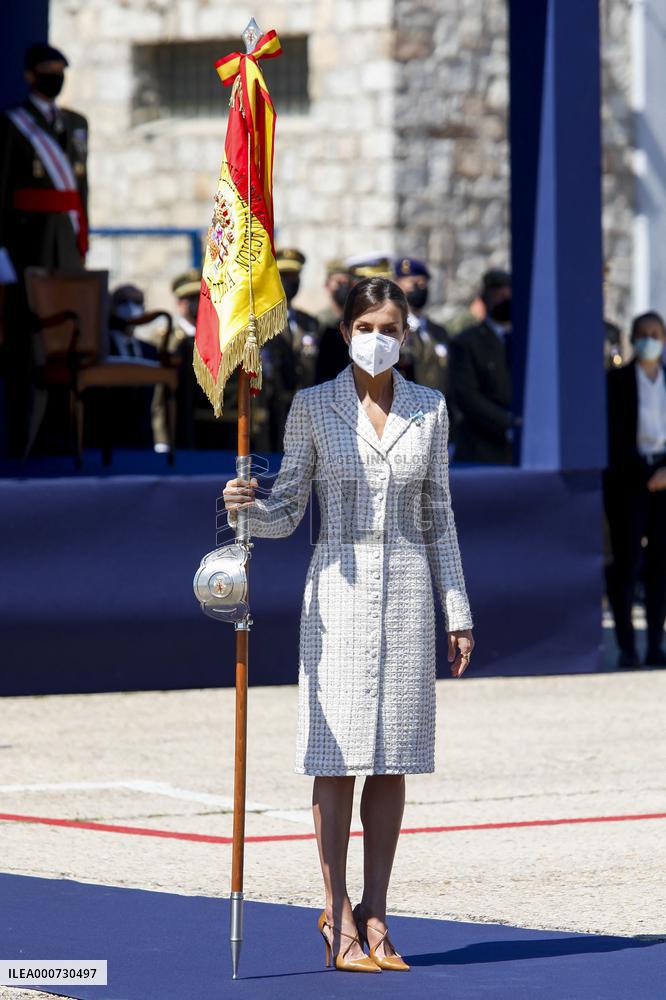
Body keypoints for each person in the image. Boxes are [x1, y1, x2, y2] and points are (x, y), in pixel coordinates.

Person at [222, 276, 474, 972]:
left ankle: (378, 911)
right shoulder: (311, 406)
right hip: (335, 591)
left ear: (407, 333)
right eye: (364, 328)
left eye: (388, 327)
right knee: (335, 760)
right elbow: (289, 510)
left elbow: (441, 517)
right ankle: (335, 916)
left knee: (393, 758)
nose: (375, 339)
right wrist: (246, 507)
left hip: (408, 588)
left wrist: (458, 610)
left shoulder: (431, 408)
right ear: (344, 334)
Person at [0, 42, 89, 455]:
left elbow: (80, 188)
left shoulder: (75, 123)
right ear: (30, 75)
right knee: (27, 347)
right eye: (48, 70)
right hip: (25, 249)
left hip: (66, 249)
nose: (56, 76)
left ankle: (61, 435)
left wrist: (81, 239)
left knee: (69, 343)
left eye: (60, 69)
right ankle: (24, 438)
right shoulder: (11, 124)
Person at [604, 311, 666, 668]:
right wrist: (641, 472)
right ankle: (628, 646)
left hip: (663, 478)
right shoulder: (617, 381)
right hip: (629, 482)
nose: (648, 340)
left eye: (655, 334)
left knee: (660, 565)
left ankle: (656, 644)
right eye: (642, 334)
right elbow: (613, 435)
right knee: (626, 564)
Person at [447, 268, 519, 464]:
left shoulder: (524, 341)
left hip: (518, 450)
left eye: (509, 295)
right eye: (499, 295)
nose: (505, 300)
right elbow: (467, 396)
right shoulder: (467, 342)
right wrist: (510, 422)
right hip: (482, 449)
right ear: (485, 299)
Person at [392, 256, 450, 395]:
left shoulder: (439, 332)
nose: (420, 288)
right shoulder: (393, 330)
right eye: (413, 283)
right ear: (398, 286)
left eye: (423, 284)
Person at [314, 258, 356, 384]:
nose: (343, 287)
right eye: (339, 282)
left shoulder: (356, 321)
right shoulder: (319, 321)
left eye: (346, 283)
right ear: (327, 285)